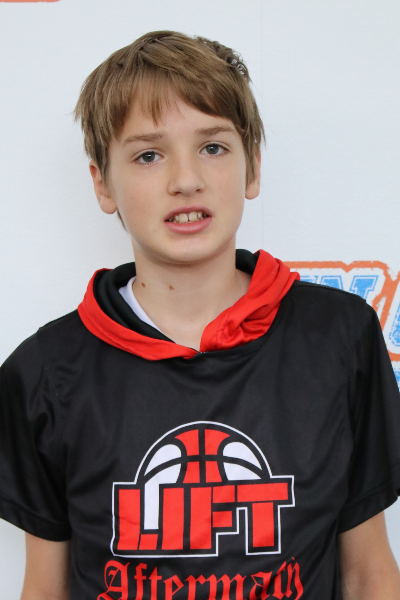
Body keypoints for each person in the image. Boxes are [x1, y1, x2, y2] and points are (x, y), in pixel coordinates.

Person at [1, 30, 400, 600]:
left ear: (252, 167)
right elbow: (45, 588)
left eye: (213, 147)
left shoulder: (339, 338)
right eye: (148, 155)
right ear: (102, 183)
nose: (185, 180)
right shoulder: (44, 372)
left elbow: (369, 573)